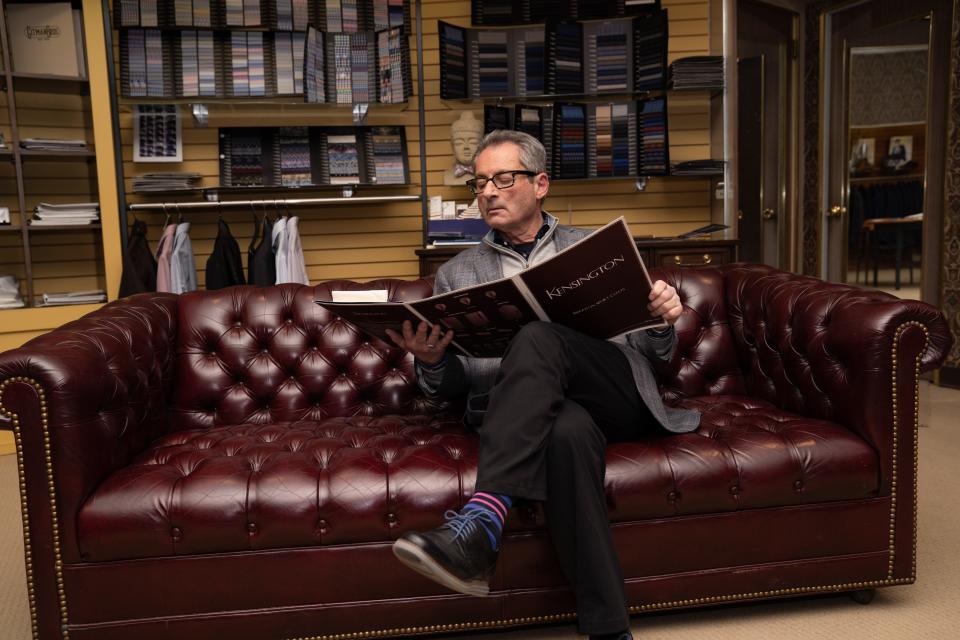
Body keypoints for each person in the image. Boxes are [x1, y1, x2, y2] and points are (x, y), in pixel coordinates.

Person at [387, 130, 699, 640]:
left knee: (537, 336)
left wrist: (664, 322)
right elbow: (449, 387)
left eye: (503, 179)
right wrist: (433, 360)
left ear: (540, 184)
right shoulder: (457, 273)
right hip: (536, 417)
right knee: (565, 433)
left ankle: (485, 519)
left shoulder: (595, 250)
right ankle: (609, 628)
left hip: (613, 395)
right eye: (480, 182)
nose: (488, 191)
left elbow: (654, 355)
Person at [442, 111, 484, 186]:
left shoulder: (487, 175)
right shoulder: (448, 176)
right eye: (459, 143)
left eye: (473, 142)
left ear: (482, 145)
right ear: (452, 146)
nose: (466, 147)